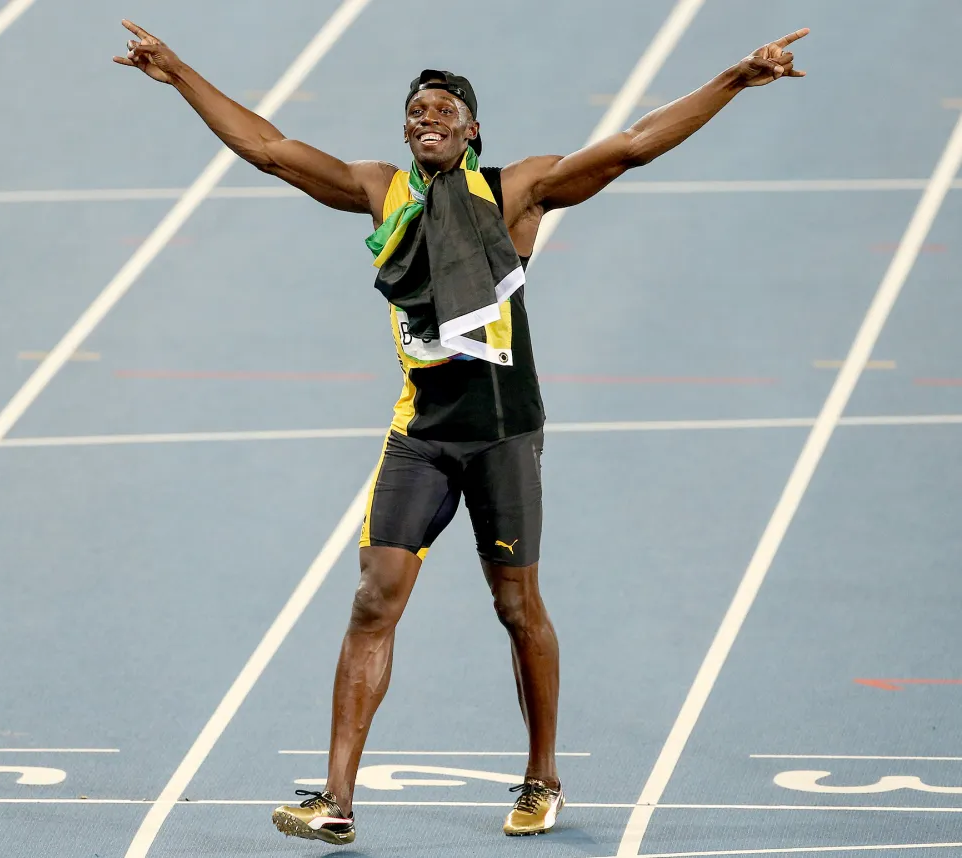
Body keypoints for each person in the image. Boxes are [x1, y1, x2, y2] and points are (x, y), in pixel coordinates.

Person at [115, 21, 808, 845]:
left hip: (505, 437)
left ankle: (542, 779)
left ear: (472, 128)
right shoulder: (382, 190)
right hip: (422, 436)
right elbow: (268, 148)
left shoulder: (516, 191)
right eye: (415, 110)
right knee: (374, 600)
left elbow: (629, 147)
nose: (425, 117)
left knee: (517, 607)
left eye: (443, 108)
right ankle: (336, 800)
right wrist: (180, 72)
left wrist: (734, 79)